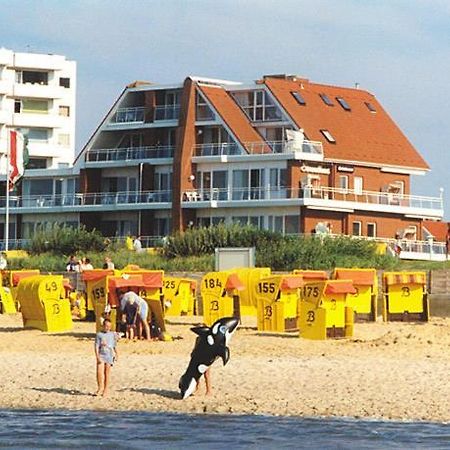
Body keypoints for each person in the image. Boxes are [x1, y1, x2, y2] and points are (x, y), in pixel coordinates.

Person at [94, 318, 118, 397]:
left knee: (107, 373)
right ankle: (100, 388)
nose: (108, 328)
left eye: (109, 326)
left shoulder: (112, 334)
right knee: (99, 372)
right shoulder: (99, 334)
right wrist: (97, 356)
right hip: (101, 354)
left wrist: (117, 354)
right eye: (106, 326)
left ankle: (106, 389)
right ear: (103, 326)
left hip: (109, 355)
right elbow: (96, 346)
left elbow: (114, 345)